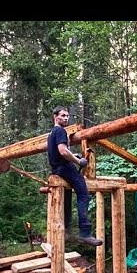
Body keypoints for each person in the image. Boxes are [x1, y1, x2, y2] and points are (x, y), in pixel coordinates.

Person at [47, 106, 102, 247]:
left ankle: (66, 230)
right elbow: (63, 151)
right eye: (63, 115)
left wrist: (74, 156)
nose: (66, 118)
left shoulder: (52, 133)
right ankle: (85, 233)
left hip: (57, 169)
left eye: (67, 116)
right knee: (83, 195)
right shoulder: (60, 131)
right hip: (65, 168)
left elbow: (61, 153)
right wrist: (79, 161)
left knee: (66, 196)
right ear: (55, 116)